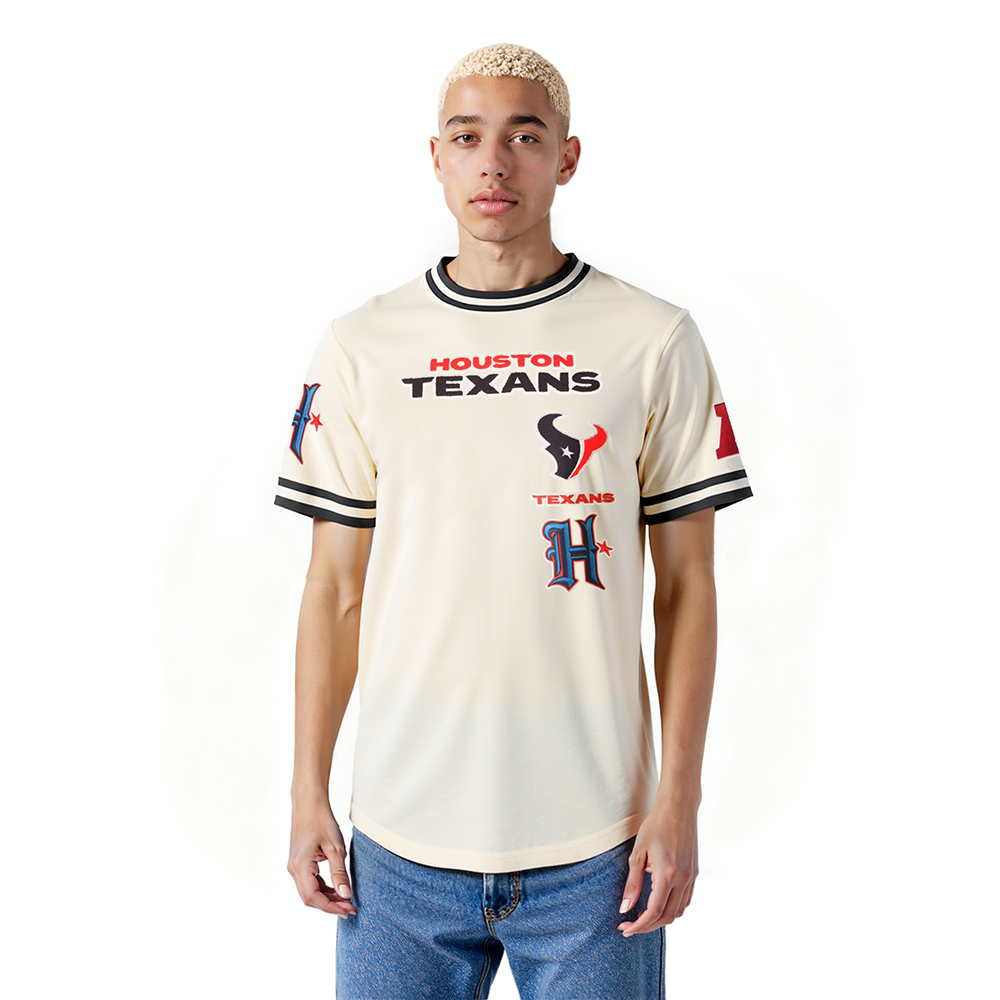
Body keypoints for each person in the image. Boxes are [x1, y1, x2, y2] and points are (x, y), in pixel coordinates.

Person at [276, 43, 751, 1000]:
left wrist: (680, 801)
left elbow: (689, 587)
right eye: (468, 137)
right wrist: (305, 790)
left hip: (599, 848)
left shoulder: (652, 338)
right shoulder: (363, 346)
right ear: (437, 157)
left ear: (566, 158)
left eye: (524, 137)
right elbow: (334, 588)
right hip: (399, 846)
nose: (494, 163)